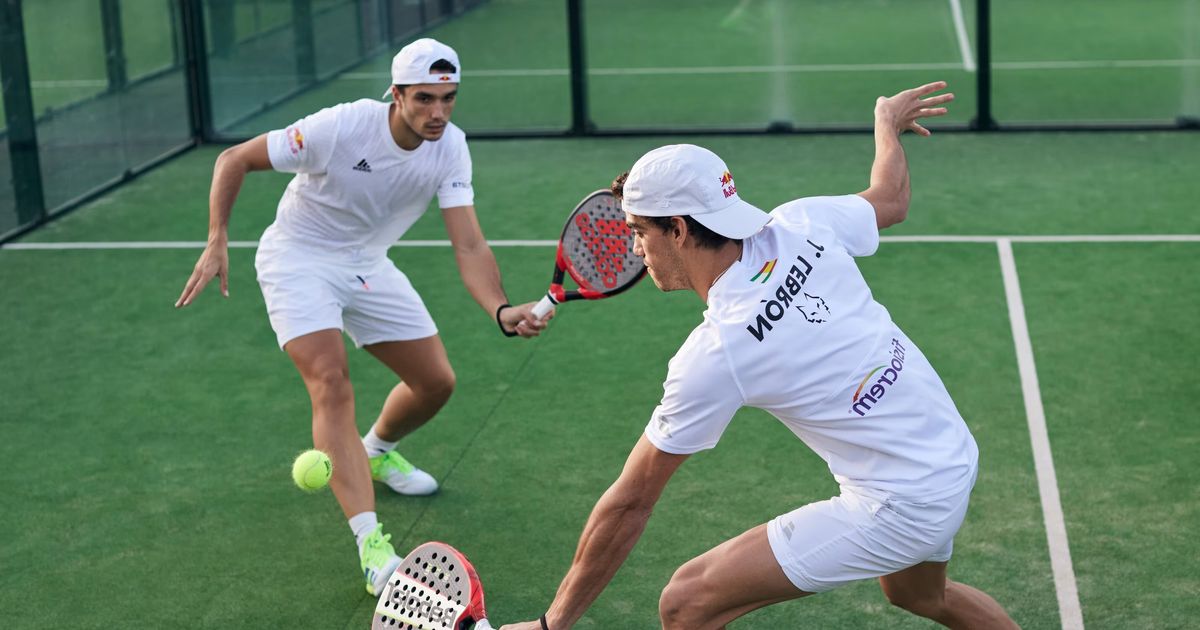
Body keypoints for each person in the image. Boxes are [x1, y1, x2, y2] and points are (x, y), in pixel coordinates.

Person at [501, 82, 1018, 630]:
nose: (634, 250)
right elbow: (890, 199)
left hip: (900, 502)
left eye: (638, 232)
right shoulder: (799, 223)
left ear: (677, 229)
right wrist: (885, 125)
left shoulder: (720, 349)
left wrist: (550, 624)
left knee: (686, 602)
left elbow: (631, 502)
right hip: (950, 452)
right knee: (922, 597)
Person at [175, 38, 548, 596]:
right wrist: (217, 237)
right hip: (297, 259)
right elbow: (235, 158)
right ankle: (373, 547)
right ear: (395, 94)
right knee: (330, 380)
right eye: (424, 99)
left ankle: (373, 451)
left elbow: (468, 245)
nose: (438, 113)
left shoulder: (451, 148)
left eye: (449, 99)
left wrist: (498, 307)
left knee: (436, 383)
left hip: (367, 264)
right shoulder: (340, 127)